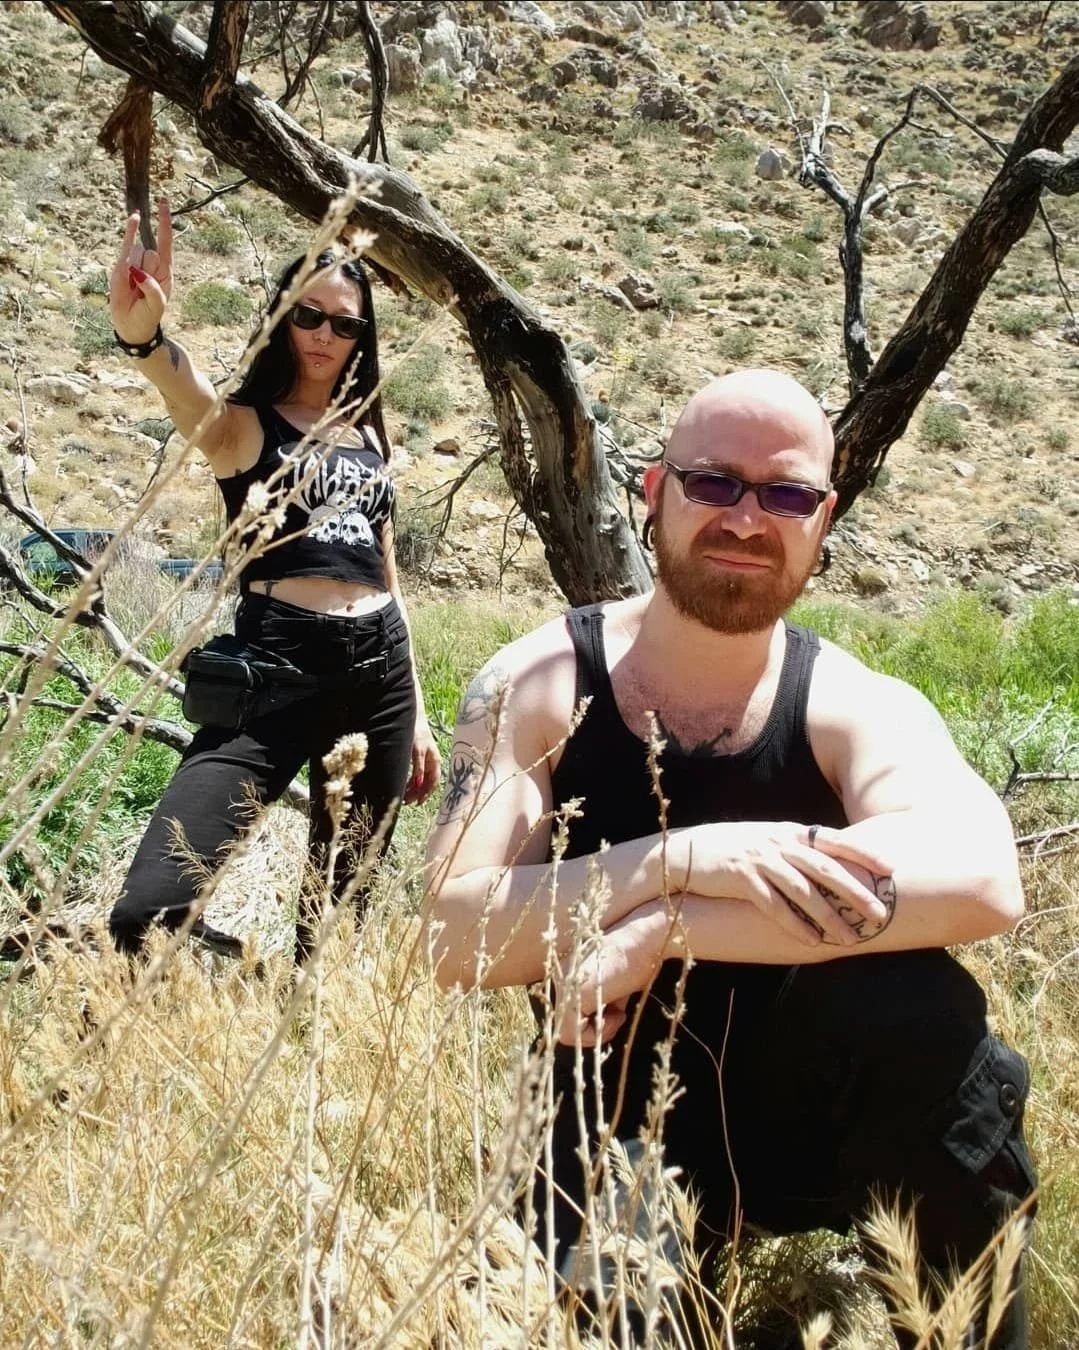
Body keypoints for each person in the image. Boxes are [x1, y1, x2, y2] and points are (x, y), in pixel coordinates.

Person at [423, 370, 1036, 1348]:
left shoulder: (849, 703)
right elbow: (452, 934)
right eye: (713, 483)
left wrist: (665, 930)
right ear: (653, 491)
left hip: (821, 1107)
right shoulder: (536, 684)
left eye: (784, 495)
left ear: (821, 519)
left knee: (919, 1017)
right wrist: (681, 857)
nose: (746, 520)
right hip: (616, 1107)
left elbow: (983, 879)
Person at [107, 199, 441, 961]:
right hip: (275, 669)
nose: (324, 334)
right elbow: (184, 391)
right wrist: (143, 336)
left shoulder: (370, 439)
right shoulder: (245, 425)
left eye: (344, 324)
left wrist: (418, 708)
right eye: (308, 315)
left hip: (380, 673)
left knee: (338, 917)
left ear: (361, 338)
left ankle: (297, 1021)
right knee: (149, 908)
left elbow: (388, 575)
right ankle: (200, 988)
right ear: (284, 317)